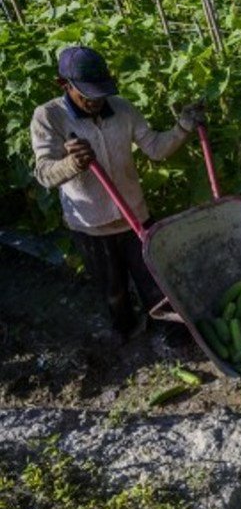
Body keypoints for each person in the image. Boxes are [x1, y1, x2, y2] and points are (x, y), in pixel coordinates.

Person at [30, 46, 205, 342]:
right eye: (87, 94)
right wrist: (72, 163)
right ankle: (127, 332)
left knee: (155, 283)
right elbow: (44, 173)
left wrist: (183, 128)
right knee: (114, 290)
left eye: (101, 92)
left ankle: (173, 336)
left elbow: (155, 149)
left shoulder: (122, 108)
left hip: (135, 216)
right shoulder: (49, 117)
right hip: (91, 224)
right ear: (64, 85)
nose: (96, 100)